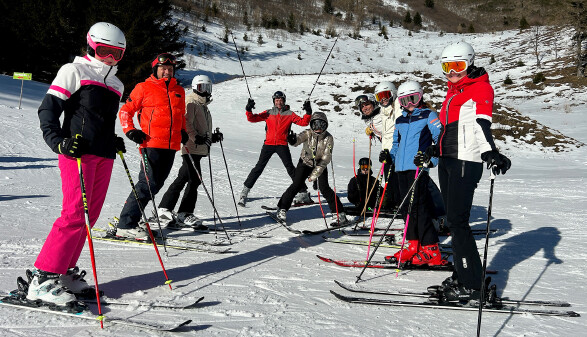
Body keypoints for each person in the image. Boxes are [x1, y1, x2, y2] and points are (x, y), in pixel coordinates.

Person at [27, 22, 127, 306]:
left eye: (116, 54)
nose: (109, 58)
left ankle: (65, 272)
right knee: (73, 214)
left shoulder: (117, 84)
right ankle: (43, 277)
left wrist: (111, 139)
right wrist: (58, 142)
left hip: (103, 156)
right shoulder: (75, 71)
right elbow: (48, 109)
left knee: (88, 218)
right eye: (104, 51)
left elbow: (99, 120)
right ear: (91, 46)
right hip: (77, 154)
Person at [424, 41, 511, 301]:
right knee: (453, 221)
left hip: (466, 162)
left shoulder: (481, 88)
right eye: (447, 67)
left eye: (458, 66)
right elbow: (446, 128)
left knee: (458, 222)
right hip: (448, 160)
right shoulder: (452, 92)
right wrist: (434, 149)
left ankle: (472, 284)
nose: (452, 72)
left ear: (470, 63)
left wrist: (489, 152)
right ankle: (463, 274)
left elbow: (481, 125)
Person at [116, 52, 188, 240]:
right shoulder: (144, 88)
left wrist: (183, 131)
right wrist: (130, 131)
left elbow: (181, 117)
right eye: (163, 68)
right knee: (147, 184)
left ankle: (134, 218)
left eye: (170, 69)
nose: (167, 72)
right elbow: (125, 111)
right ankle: (126, 224)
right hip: (151, 144)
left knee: (156, 185)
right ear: (156, 69)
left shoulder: (179, 91)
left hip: (171, 146)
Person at [384, 80, 444, 266]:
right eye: (404, 101)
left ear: (421, 97)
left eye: (413, 99)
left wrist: (429, 160)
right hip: (401, 169)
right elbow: (396, 144)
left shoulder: (429, 115)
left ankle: (431, 248)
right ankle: (413, 244)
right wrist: (389, 156)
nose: (409, 104)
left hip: (418, 168)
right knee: (406, 208)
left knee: (420, 207)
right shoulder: (400, 120)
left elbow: (439, 141)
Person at [157, 75, 221, 229]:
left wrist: (212, 137)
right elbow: (185, 123)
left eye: (207, 88)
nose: (205, 92)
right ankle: (183, 213)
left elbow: (201, 129)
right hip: (189, 147)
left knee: (184, 178)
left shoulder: (203, 105)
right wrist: (194, 138)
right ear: (194, 88)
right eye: (201, 88)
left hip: (197, 148)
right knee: (194, 179)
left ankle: (166, 209)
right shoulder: (191, 102)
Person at [239, 91, 312, 206]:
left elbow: (303, 122)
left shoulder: (290, 114)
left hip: (282, 145)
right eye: (277, 100)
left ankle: (303, 192)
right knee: (259, 167)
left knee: (290, 168)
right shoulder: (268, 113)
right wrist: (248, 110)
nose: (279, 102)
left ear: (284, 101)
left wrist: (308, 112)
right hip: (268, 144)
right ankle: (245, 191)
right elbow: (252, 119)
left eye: (281, 100)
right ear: (274, 101)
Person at [276, 112, 349, 225]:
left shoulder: (328, 138)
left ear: (326, 126)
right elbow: (298, 140)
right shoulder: (308, 133)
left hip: (320, 164)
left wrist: (314, 176)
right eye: (315, 125)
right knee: (296, 185)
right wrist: (292, 140)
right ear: (311, 125)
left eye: (322, 125)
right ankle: (282, 208)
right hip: (305, 162)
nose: (318, 128)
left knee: (324, 188)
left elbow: (326, 159)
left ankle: (340, 214)